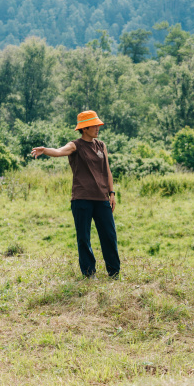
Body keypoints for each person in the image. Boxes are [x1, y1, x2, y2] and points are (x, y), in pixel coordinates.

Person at [31, 110, 120, 279]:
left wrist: (112, 193)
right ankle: (89, 274)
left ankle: (114, 273)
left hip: (102, 198)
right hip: (82, 199)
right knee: (84, 238)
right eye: (93, 125)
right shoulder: (75, 145)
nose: (97, 128)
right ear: (84, 128)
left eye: (97, 124)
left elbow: (107, 170)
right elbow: (59, 151)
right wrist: (45, 150)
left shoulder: (101, 145)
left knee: (109, 235)